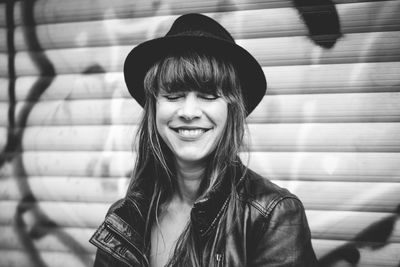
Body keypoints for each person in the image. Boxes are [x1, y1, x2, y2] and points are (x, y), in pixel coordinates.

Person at [90, 13, 318, 267]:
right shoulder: (126, 217)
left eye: (208, 95)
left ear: (231, 110)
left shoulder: (273, 216)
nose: (189, 112)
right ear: (154, 108)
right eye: (174, 95)